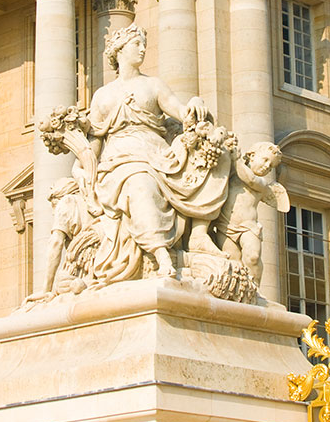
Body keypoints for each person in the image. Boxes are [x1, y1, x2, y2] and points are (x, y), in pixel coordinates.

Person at [86, 24, 229, 283]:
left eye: (143, 44)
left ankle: (190, 240)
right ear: (119, 49)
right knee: (139, 181)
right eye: (136, 44)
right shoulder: (102, 96)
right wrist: (84, 179)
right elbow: (92, 149)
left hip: (156, 154)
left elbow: (181, 112)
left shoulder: (153, 85)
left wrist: (194, 104)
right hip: (119, 162)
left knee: (147, 177)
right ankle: (161, 254)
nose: (142, 50)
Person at [213, 142, 289, 284]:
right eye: (265, 160)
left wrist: (236, 159)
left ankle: (255, 288)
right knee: (233, 262)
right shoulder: (234, 172)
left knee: (253, 257)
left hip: (248, 227)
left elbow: (250, 179)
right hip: (225, 224)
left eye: (271, 166)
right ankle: (238, 294)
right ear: (252, 156)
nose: (267, 167)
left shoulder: (261, 183)